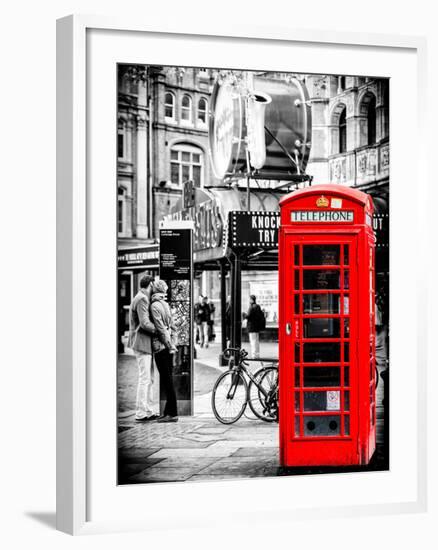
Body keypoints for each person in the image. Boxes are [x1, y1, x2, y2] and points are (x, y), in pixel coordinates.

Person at [128, 274, 160, 422]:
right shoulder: (142, 298)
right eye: (153, 285)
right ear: (150, 285)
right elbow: (145, 323)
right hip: (141, 343)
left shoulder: (140, 297)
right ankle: (141, 412)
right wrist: (159, 329)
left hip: (144, 343)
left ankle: (148, 410)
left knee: (149, 378)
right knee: (145, 378)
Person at [150, 279, 179, 423]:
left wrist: (168, 344)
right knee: (168, 379)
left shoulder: (155, 305)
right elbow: (173, 327)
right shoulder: (165, 304)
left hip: (161, 347)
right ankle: (168, 411)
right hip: (168, 347)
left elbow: (161, 329)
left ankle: (172, 413)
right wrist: (173, 343)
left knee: (167, 381)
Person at [244, 294, 265, 359]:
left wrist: (244, 315)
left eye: (249, 299)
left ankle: (254, 355)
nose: (249, 300)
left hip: (251, 327)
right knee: (256, 341)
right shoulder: (258, 306)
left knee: (253, 341)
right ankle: (257, 354)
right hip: (257, 327)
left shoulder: (251, 307)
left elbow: (248, 316)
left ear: (251, 300)